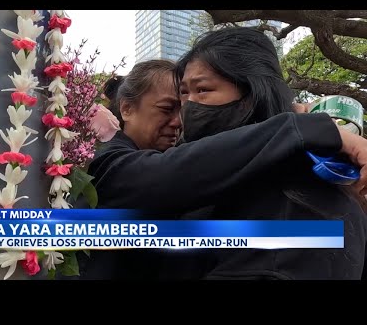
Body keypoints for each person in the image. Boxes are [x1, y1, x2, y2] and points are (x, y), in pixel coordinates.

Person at [75, 58, 367, 280]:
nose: (181, 120)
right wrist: (303, 129)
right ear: (126, 109)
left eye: (188, 104)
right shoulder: (106, 162)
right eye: (167, 108)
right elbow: (177, 170)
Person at [171, 27, 367, 279]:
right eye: (184, 93)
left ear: (252, 95)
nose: (189, 106)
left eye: (203, 90)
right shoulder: (214, 176)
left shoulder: (298, 200)